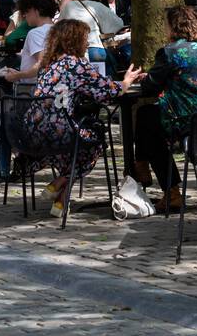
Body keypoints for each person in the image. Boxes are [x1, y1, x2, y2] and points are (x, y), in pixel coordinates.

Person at [24, 20, 144, 214]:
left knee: (79, 141)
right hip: (58, 132)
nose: (87, 43)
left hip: (33, 132)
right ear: (75, 41)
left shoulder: (48, 66)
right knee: (95, 137)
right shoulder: (77, 65)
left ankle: (61, 201)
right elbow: (109, 91)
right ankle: (60, 182)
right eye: (85, 39)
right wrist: (127, 81)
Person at [134, 6, 197, 211]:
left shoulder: (171, 51)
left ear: (174, 26)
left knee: (147, 118)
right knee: (150, 119)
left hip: (183, 118)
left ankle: (153, 175)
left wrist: (146, 78)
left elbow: (149, 87)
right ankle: (143, 166)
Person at [60, 0, 124, 77]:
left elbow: (59, 26)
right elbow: (118, 24)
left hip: (73, 49)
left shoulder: (69, 6)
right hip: (95, 48)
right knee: (102, 80)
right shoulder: (98, 6)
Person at [0, 0, 58, 83]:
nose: (24, 15)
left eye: (26, 11)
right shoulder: (59, 29)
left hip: (33, 91)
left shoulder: (35, 33)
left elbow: (42, 64)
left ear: (36, 10)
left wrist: (18, 75)